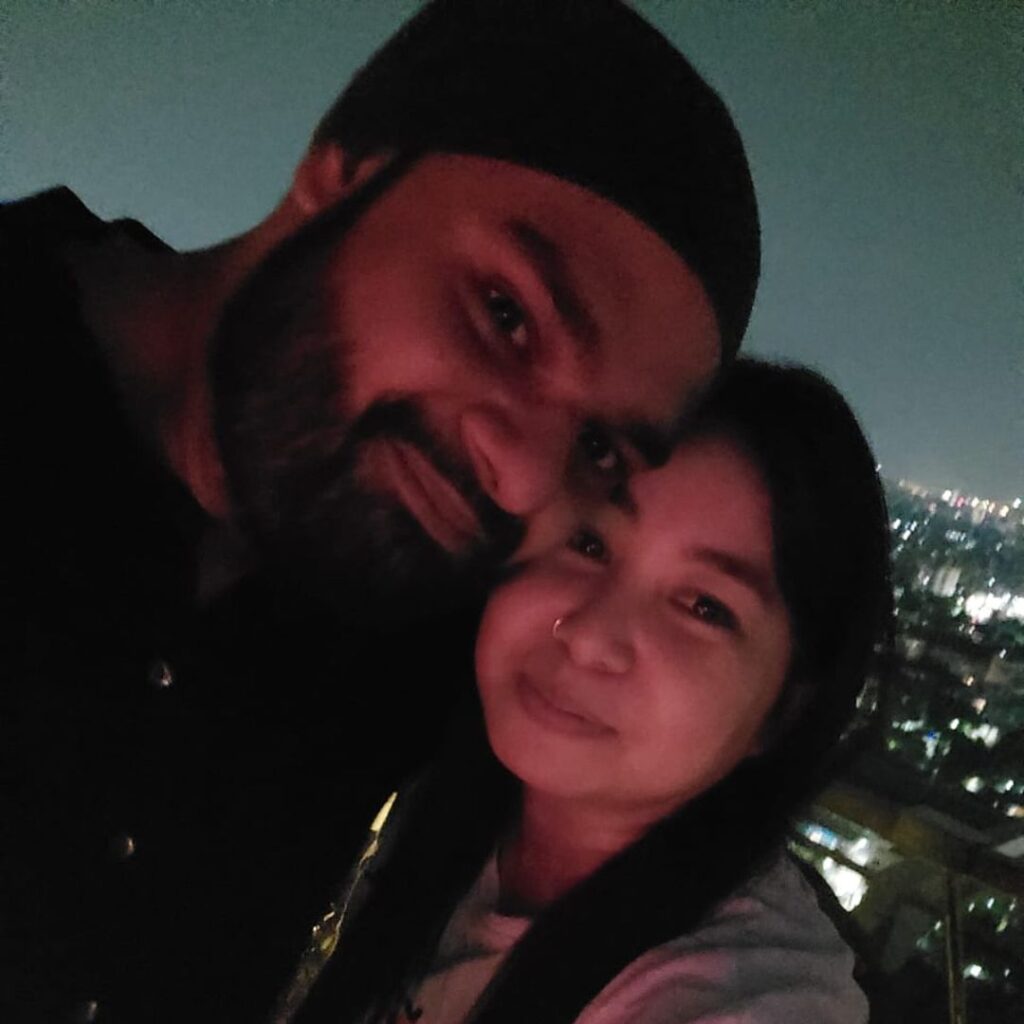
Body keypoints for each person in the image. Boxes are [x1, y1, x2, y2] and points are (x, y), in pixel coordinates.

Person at [1, 2, 760, 1022]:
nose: (520, 479)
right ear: (344, 170)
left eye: (596, 447)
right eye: (506, 316)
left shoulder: (437, 596)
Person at [284, 360, 892, 1024]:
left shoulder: (750, 991)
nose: (589, 636)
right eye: (588, 541)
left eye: (703, 606)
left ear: (783, 711)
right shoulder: (424, 774)